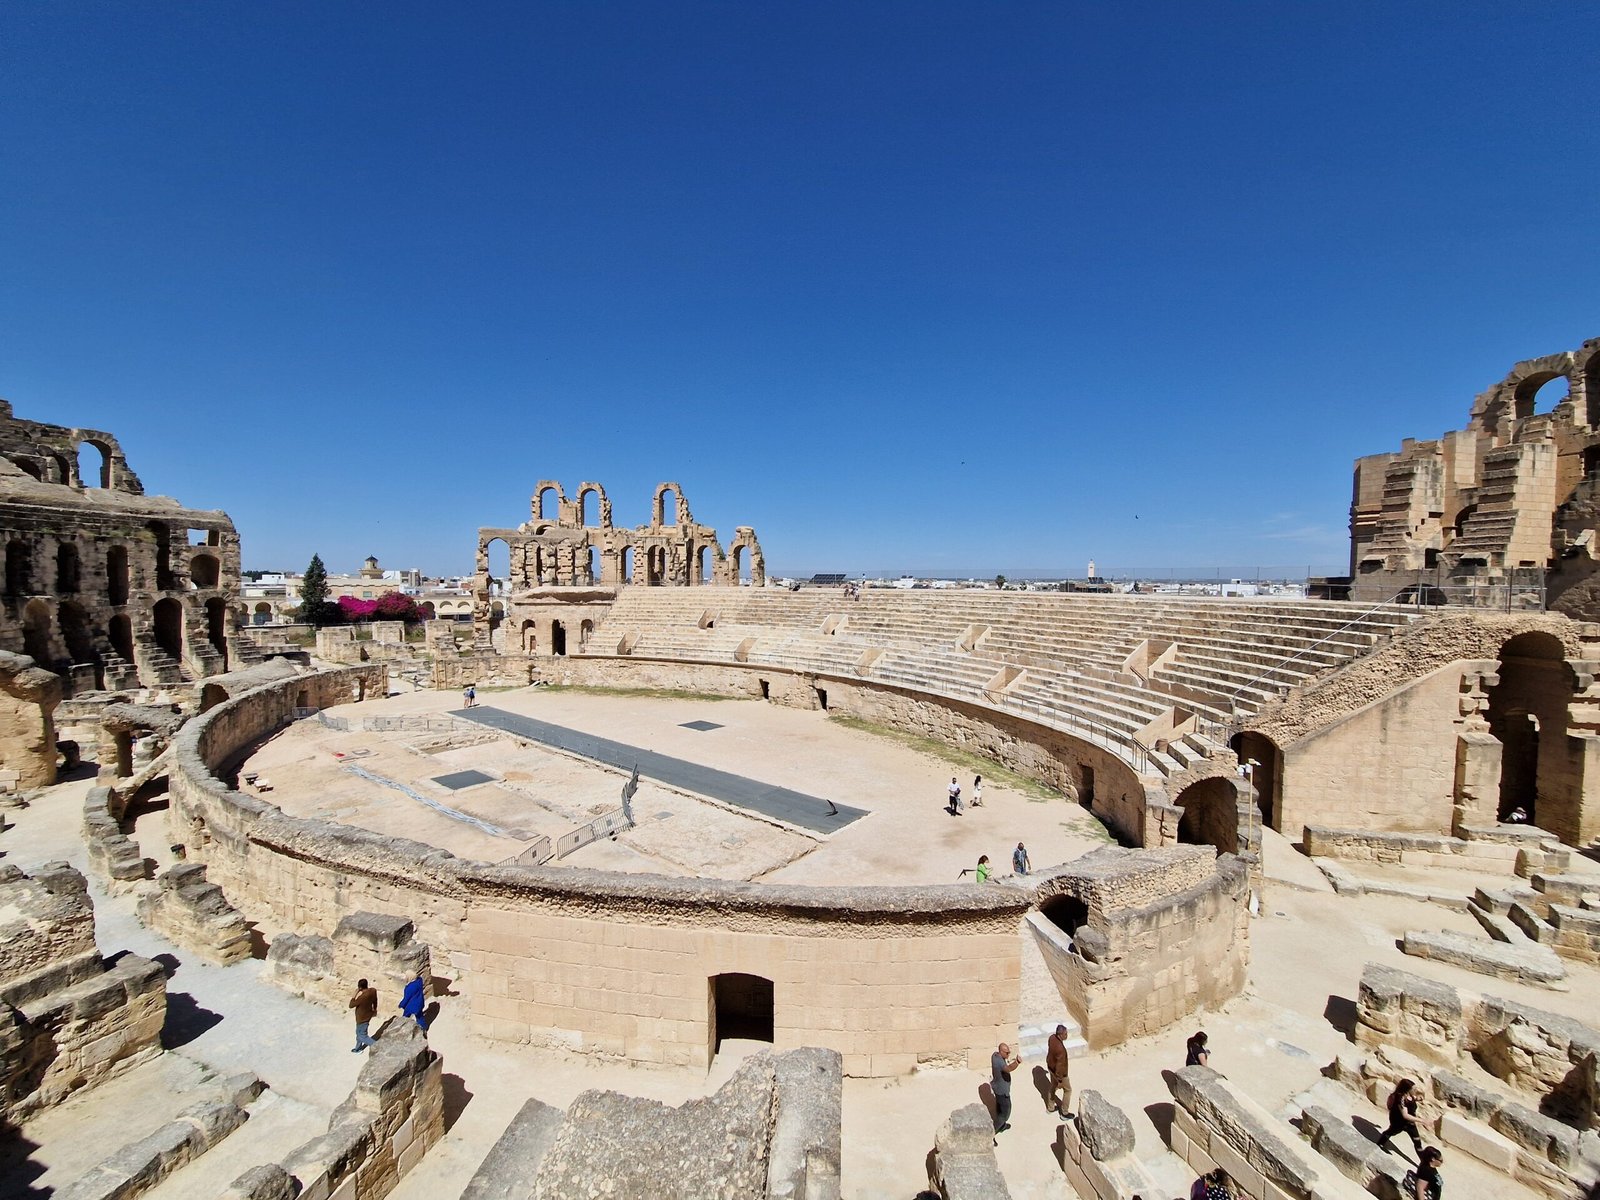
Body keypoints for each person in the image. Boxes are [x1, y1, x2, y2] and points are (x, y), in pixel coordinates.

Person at [1378, 1078, 1424, 1158]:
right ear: (1407, 1089)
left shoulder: (1410, 1096)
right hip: (1399, 1122)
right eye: (1413, 1089)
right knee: (1391, 1132)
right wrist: (1422, 1120)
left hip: (1410, 1123)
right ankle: (1380, 1143)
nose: (1415, 1090)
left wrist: (1418, 1099)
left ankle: (1424, 1160)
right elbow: (1405, 1115)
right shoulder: (1400, 1099)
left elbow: (1412, 1100)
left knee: (1417, 1141)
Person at [990, 1042, 1020, 1133]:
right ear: (1001, 1052)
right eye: (1007, 1053)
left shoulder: (995, 1056)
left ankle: (1002, 1125)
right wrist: (1017, 1062)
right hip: (1002, 1091)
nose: (1008, 1054)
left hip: (997, 1088)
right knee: (1005, 1112)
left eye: (1009, 1052)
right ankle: (993, 1132)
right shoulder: (999, 1062)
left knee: (999, 1107)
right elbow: (1008, 1069)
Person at [1046, 1023, 1072, 1115]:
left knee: (1053, 1087)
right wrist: (1060, 1080)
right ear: (1060, 1035)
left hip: (1051, 1068)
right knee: (1068, 1090)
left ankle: (1050, 1107)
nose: (1066, 1035)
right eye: (1065, 1034)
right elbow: (1060, 1066)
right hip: (1059, 1074)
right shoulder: (1060, 1050)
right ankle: (1064, 1112)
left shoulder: (1052, 1038)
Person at [349, 977, 377, 1053]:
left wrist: (354, 995)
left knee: (362, 1036)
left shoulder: (362, 997)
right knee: (359, 1033)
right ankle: (358, 1048)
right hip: (368, 1015)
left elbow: (351, 1005)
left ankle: (377, 1045)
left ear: (360, 987)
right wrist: (374, 1009)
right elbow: (375, 1000)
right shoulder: (373, 991)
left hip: (362, 1019)